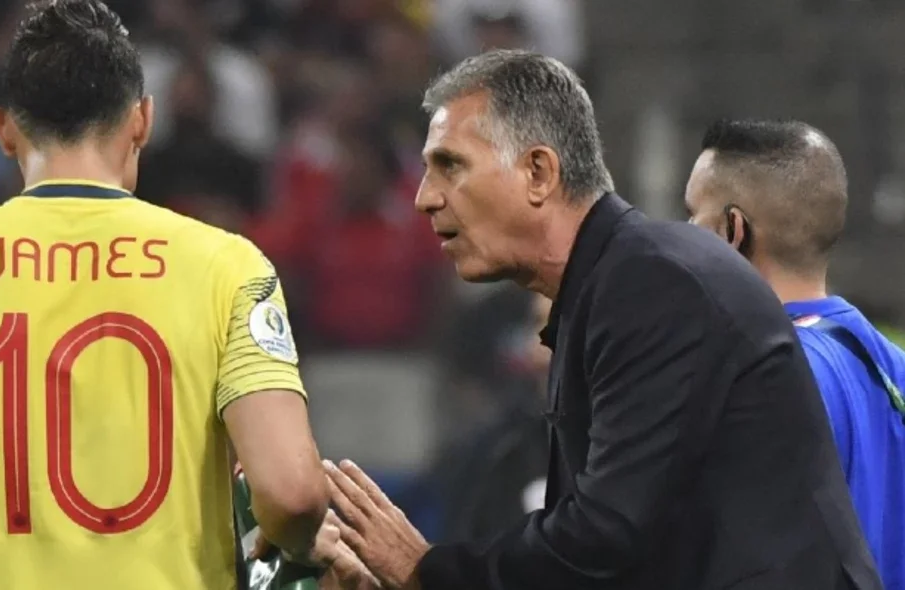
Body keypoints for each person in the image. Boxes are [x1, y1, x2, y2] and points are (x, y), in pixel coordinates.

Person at [0, 2, 334, 588]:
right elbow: (292, 495)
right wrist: (286, 553)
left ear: (4, 130)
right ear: (143, 120)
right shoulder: (229, 267)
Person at [321, 49, 883, 590]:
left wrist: (429, 570)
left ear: (539, 172)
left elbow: (606, 538)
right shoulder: (609, 286)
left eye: (450, 165)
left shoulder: (655, 286)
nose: (424, 197)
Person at [685, 118, 905, 590]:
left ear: (733, 229)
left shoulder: (765, 378)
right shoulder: (893, 366)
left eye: (693, 217)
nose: (683, 238)